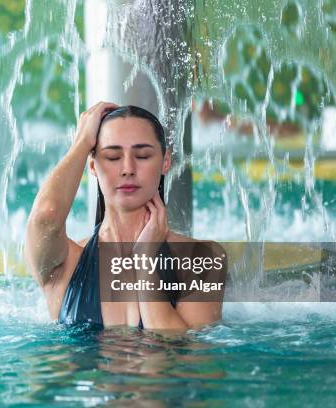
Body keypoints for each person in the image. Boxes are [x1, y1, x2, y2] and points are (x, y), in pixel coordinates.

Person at [25, 101, 224, 332]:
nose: (128, 168)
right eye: (112, 157)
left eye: (142, 155)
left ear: (165, 161)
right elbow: (46, 215)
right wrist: (81, 143)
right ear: (92, 166)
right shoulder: (66, 263)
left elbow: (182, 362)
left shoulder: (202, 259)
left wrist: (146, 260)